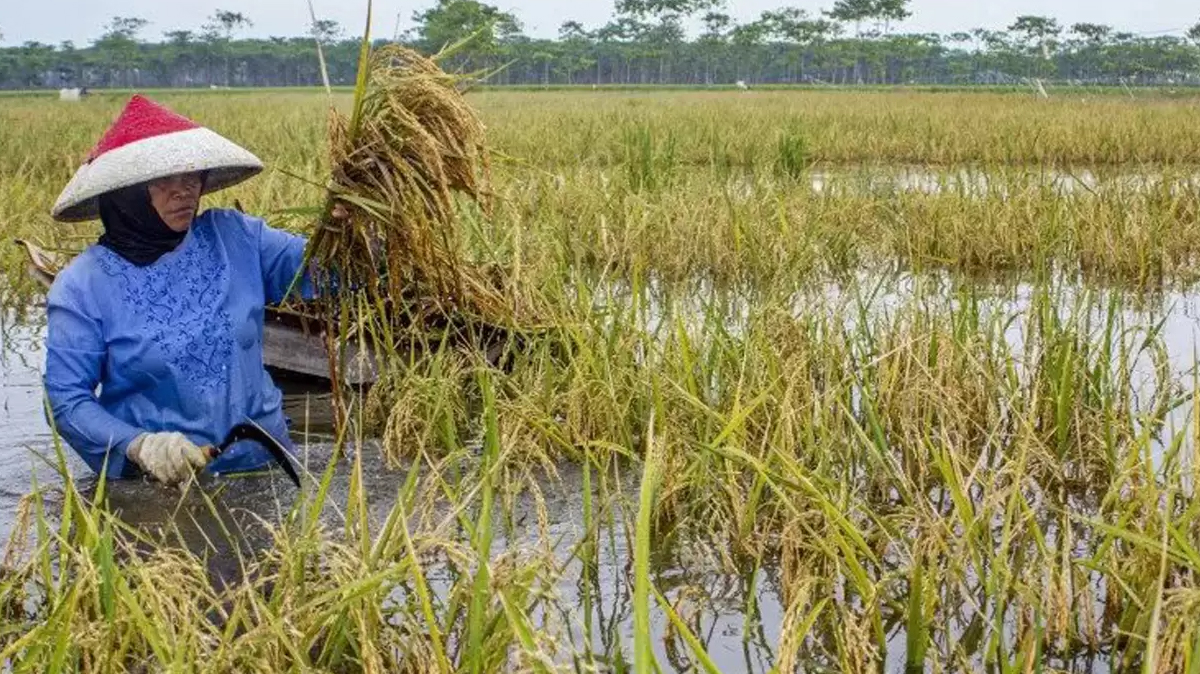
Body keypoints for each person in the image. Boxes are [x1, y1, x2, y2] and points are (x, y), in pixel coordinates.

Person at [44, 94, 312, 486]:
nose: (184, 190)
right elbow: (67, 402)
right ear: (126, 193)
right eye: (163, 179)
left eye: (192, 177)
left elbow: (324, 271)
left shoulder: (237, 239)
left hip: (266, 467)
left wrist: (351, 229)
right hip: (163, 485)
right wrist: (138, 445)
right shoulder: (83, 287)